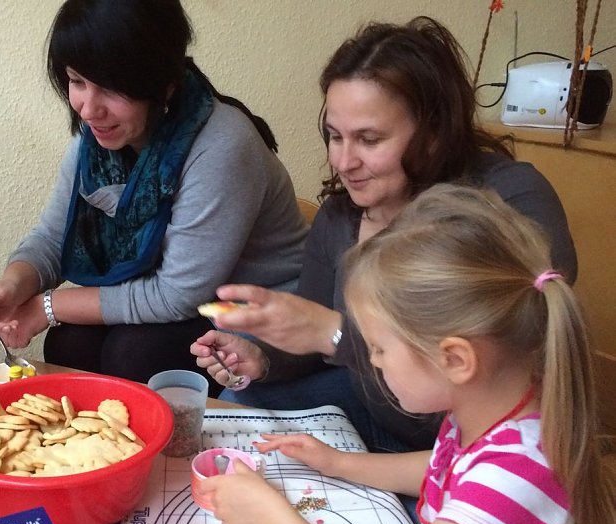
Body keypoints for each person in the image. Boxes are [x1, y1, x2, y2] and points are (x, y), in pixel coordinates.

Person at [202, 184, 616, 524]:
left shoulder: (519, 471)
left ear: (455, 360)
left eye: (379, 347)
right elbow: (445, 471)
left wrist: (268, 512)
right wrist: (338, 463)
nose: (372, 360)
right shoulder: (494, 414)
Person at [192, 16, 577, 452]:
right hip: (371, 409)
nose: (343, 161)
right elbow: (318, 343)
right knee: (237, 400)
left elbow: (498, 345)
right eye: (335, 136)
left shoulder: (511, 197)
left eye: (369, 139)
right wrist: (263, 357)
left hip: (469, 444)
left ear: (433, 133)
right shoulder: (340, 217)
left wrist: (334, 332)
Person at [0, 0, 307, 391]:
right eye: (77, 81)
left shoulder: (222, 146)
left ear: (163, 83)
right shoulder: (94, 141)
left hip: (259, 324)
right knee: (70, 340)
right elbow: (55, 237)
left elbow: (175, 295)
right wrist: (14, 285)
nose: (89, 109)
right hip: (186, 307)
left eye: (109, 88)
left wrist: (45, 308)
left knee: (137, 353)